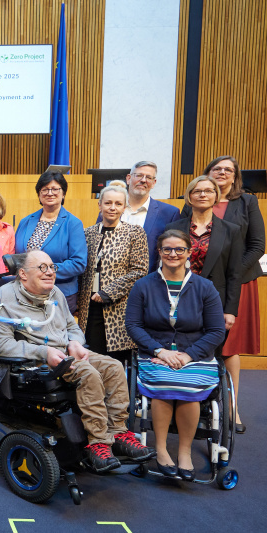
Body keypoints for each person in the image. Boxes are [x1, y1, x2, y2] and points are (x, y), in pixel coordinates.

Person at [0, 250, 156, 472]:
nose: (50, 272)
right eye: (42, 268)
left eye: (52, 267)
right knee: (88, 373)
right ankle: (98, 443)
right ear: (22, 274)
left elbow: (71, 327)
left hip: (65, 351)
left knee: (114, 367)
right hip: (35, 360)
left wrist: (75, 342)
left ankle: (117, 432)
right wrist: (43, 351)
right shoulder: (5, 296)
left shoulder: (55, 293)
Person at [126, 229, 226, 481]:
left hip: (195, 355)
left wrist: (188, 356)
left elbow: (216, 331)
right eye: (167, 249)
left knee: (188, 385)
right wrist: (159, 350)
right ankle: (160, 450)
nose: (173, 254)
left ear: (188, 253)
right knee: (164, 382)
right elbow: (133, 326)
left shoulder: (205, 288)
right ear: (159, 252)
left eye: (179, 249)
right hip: (154, 353)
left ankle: (184, 452)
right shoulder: (143, 286)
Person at [191, 156, 265, 433]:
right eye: (216, 169)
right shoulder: (194, 202)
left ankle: (231, 407)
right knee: (196, 338)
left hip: (238, 283)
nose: (222, 173)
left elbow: (257, 245)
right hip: (197, 284)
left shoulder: (246, 202)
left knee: (229, 345)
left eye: (228, 170)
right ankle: (197, 402)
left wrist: (229, 272)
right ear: (207, 174)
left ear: (235, 177)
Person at [77, 185, 148, 363]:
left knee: (117, 359)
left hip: (120, 307)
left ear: (124, 207)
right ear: (99, 205)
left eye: (118, 203)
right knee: (92, 356)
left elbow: (140, 270)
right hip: (90, 306)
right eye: (108, 203)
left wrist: (109, 292)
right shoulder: (87, 233)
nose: (112, 207)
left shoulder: (135, 233)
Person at [166, 176, 242, 334]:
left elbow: (234, 274)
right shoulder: (173, 228)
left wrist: (230, 310)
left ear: (216, 196)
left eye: (208, 191)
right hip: (177, 298)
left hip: (214, 300)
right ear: (189, 196)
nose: (203, 195)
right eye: (197, 191)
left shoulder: (231, 230)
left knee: (210, 351)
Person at [15, 171, 87, 314]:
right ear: (39, 194)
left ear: (63, 193)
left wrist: (42, 272)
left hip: (59, 293)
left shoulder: (73, 224)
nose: (50, 193)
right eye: (45, 189)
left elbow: (78, 263)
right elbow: (18, 256)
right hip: (26, 293)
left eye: (55, 189)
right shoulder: (26, 221)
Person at [96, 161, 180, 273]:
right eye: (139, 175)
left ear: (154, 183)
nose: (143, 180)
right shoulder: (110, 209)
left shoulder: (169, 213)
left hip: (148, 283)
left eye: (149, 177)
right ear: (128, 178)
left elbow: (171, 252)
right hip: (109, 282)